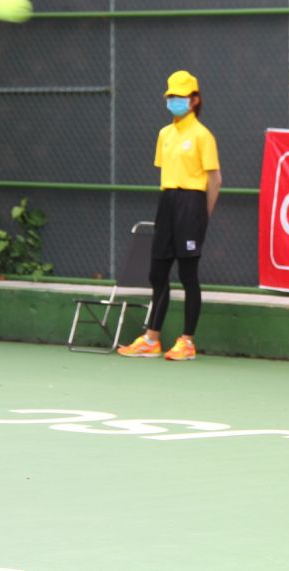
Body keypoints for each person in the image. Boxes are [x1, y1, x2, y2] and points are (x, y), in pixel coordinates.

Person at [117, 70, 220, 363]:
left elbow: (215, 179)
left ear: (195, 99)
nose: (174, 101)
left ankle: (187, 341)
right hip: (167, 202)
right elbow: (167, 171)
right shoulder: (164, 134)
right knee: (158, 272)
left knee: (188, 275)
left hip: (192, 203)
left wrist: (202, 215)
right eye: (171, 96)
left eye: (180, 96)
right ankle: (151, 339)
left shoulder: (203, 135)